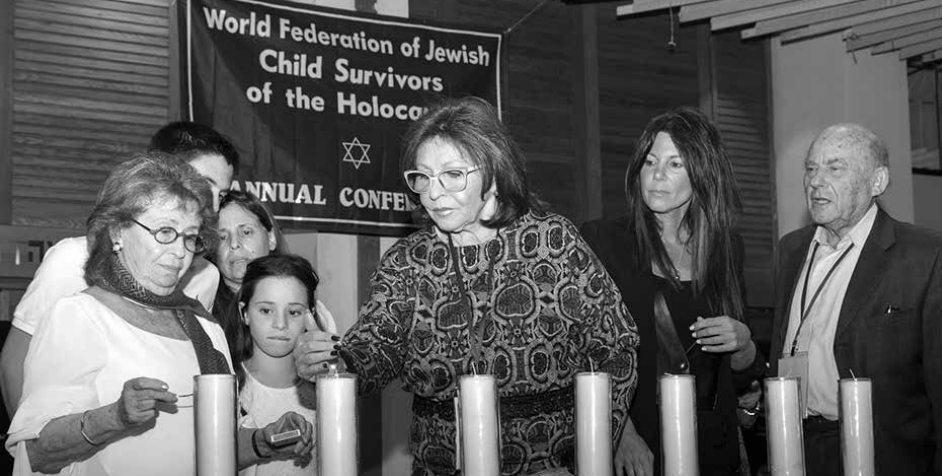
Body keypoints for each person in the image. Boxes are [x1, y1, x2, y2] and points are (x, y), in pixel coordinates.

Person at [293, 96, 640, 476]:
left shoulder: (553, 243)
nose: (433, 193)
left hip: (549, 467)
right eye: (421, 177)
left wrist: (586, 455)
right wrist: (336, 360)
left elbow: (616, 346)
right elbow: (378, 345)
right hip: (440, 465)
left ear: (492, 173)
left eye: (452, 175)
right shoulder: (409, 259)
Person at [5, 153, 312, 475]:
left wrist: (264, 441)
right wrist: (115, 417)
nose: (180, 252)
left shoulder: (205, 328)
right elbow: (37, 452)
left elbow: (215, 445)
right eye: (165, 232)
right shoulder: (78, 315)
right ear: (117, 232)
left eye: (190, 237)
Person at [0, 121, 239, 416]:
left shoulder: (206, 276)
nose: (214, 205)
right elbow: (15, 362)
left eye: (223, 195)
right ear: (163, 174)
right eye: (204, 184)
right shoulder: (71, 259)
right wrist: (30, 451)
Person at [581, 107, 766, 476]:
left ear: (701, 174)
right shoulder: (604, 241)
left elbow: (740, 376)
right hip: (636, 445)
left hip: (712, 445)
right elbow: (581, 352)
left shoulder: (726, 248)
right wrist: (620, 432)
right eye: (650, 162)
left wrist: (744, 342)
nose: (658, 175)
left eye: (675, 164)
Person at [769, 123, 942, 476]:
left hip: (884, 454)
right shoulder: (792, 249)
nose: (815, 181)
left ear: (876, 182)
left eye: (834, 168)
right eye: (811, 168)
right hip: (795, 443)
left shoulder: (925, 255)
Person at [211, 190, 335, 361]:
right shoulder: (203, 311)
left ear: (270, 238)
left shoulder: (317, 315)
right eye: (222, 237)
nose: (234, 244)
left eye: (246, 232)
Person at [235, 254, 324, 476]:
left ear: (310, 315)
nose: (280, 324)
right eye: (266, 310)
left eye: (294, 312)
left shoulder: (329, 388)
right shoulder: (227, 384)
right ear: (244, 313)